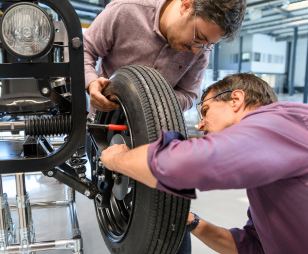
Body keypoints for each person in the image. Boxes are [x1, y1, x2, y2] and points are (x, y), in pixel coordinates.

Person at [100, 73, 308, 253]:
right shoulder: (268, 157)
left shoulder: (280, 123)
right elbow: (253, 246)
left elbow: (185, 163)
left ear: (236, 99)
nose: (200, 125)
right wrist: (192, 222)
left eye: (206, 110)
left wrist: (117, 159)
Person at [84, 0, 246, 112]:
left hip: (153, 139)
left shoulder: (201, 49)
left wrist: (154, 100)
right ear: (186, 5)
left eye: (208, 45)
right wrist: (91, 83)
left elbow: (189, 94)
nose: (197, 51)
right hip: (104, 126)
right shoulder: (126, 10)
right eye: (199, 37)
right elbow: (84, 50)